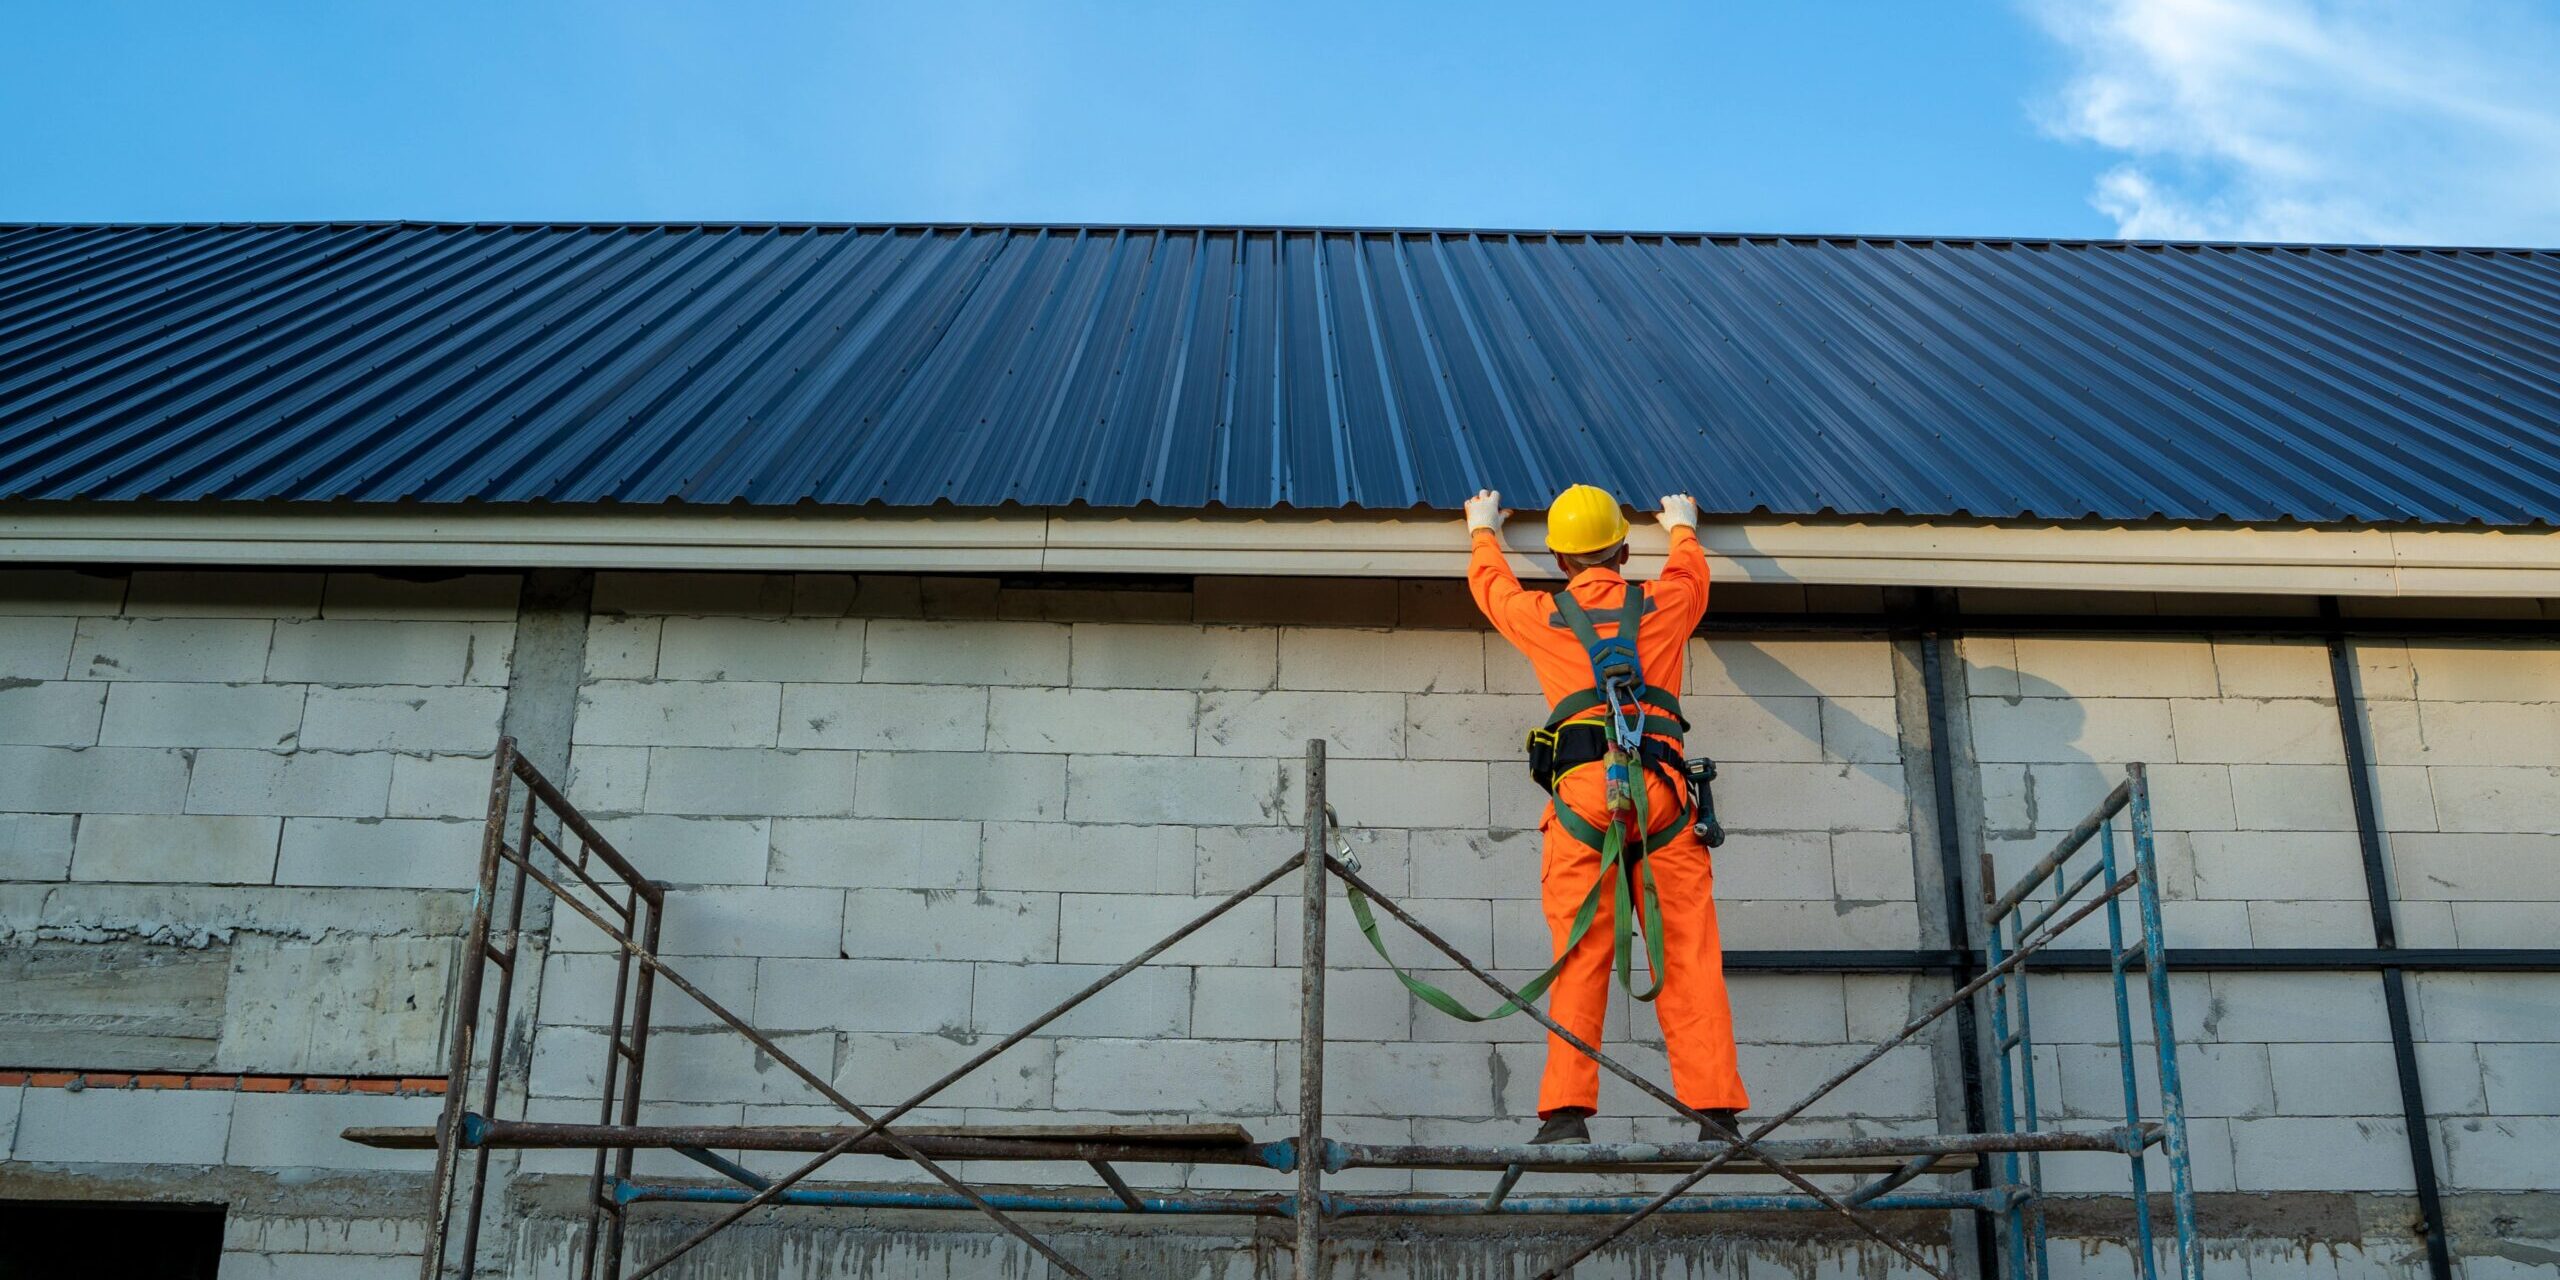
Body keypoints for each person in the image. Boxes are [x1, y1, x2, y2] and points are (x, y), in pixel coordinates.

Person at [1462, 484, 1749, 1145]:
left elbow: (1493, 592)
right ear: (1623, 549)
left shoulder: (1544, 615)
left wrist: (1483, 532)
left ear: (1561, 561)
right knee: (1686, 953)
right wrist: (1681, 526)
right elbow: (1691, 574)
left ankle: (1565, 1114)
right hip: (1663, 794)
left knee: (1581, 952)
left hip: (1583, 798)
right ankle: (1715, 1113)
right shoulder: (1665, 605)